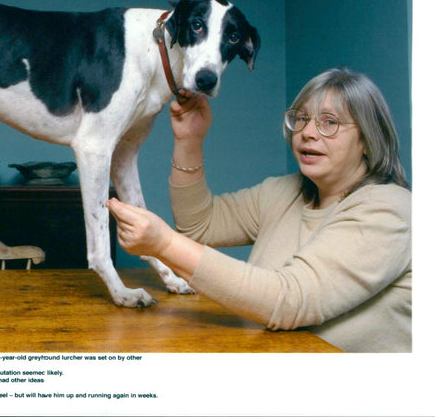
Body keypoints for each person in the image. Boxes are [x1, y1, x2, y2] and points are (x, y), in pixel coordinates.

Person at [106, 67, 411, 352]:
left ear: (369, 139)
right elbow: (200, 225)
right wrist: (189, 140)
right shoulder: (284, 192)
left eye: (329, 122)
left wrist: (165, 244)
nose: (307, 132)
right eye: (301, 118)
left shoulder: (388, 210)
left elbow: (288, 301)